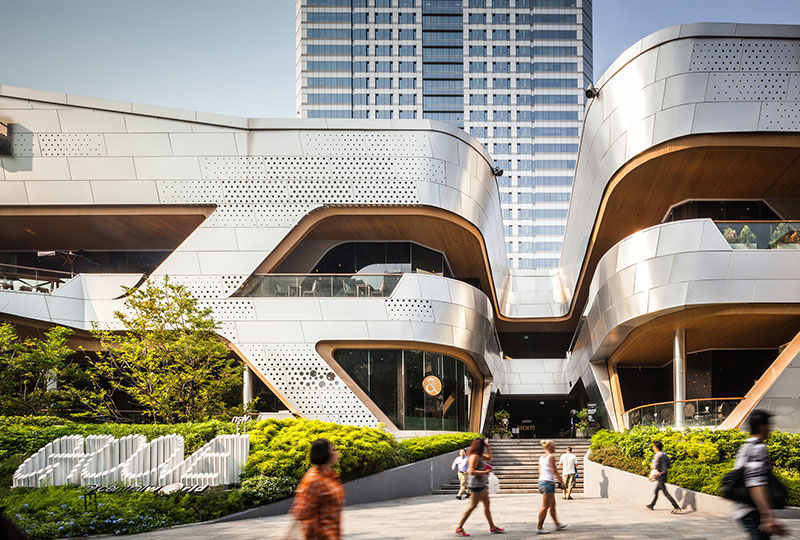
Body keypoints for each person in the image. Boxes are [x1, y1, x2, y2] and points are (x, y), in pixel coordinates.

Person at [733, 409, 786, 539]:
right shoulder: (757, 449)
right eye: (769, 425)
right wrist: (767, 517)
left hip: (746, 510)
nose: (771, 429)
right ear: (762, 427)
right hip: (752, 511)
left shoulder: (746, 447)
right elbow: (755, 484)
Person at [289, 438, 346, 540]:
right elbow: (300, 512)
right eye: (333, 450)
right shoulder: (313, 480)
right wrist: (289, 536)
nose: (336, 452)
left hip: (333, 534)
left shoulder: (332, 476)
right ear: (325, 454)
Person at [455, 438, 504, 537]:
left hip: (481, 485)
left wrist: (488, 448)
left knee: (487, 505)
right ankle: (459, 527)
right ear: (480, 446)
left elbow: (490, 459)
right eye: (483, 446)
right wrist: (485, 472)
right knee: (472, 506)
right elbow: (471, 471)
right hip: (476, 485)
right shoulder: (474, 456)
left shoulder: (479, 455)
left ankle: (492, 527)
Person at [537, 439, 567, 534]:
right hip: (548, 482)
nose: (555, 447)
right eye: (554, 446)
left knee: (552, 505)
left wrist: (540, 484)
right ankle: (539, 527)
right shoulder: (551, 457)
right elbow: (554, 471)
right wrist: (562, 482)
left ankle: (557, 524)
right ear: (550, 447)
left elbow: (540, 471)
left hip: (543, 481)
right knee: (545, 506)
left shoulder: (541, 457)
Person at [646, 440, 680, 514]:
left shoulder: (658, 455)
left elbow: (654, 466)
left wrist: (651, 466)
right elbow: (668, 465)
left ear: (656, 447)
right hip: (664, 474)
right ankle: (652, 505)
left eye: (653, 446)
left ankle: (676, 506)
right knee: (656, 491)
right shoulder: (665, 455)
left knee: (665, 493)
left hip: (660, 475)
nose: (653, 447)